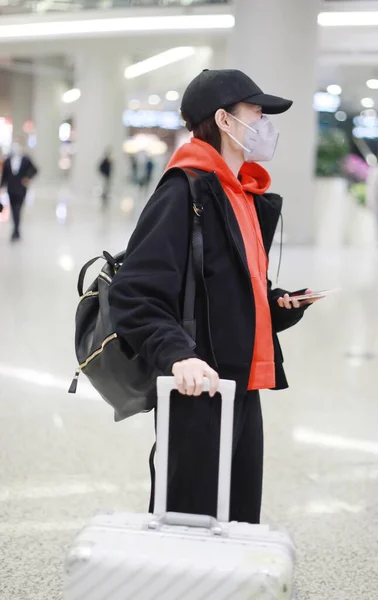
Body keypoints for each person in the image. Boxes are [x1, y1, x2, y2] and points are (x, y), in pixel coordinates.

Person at [109, 69, 319, 524]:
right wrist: (177, 355)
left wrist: (277, 303)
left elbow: (227, 284)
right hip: (198, 386)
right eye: (257, 114)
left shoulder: (238, 190)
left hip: (242, 382)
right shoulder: (184, 190)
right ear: (224, 120)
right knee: (190, 521)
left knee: (239, 517)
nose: (264, 126)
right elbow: (135, 292)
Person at [0, 139, 38, 242]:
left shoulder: (26, 159)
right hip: (11, 189)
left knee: (17, 209)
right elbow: (4, 176)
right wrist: (1, 187)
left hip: (21, 189)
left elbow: (35, 169)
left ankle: (16, 230)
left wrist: (27, 177)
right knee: (14, 209)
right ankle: (16, 231)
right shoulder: (8, 160)